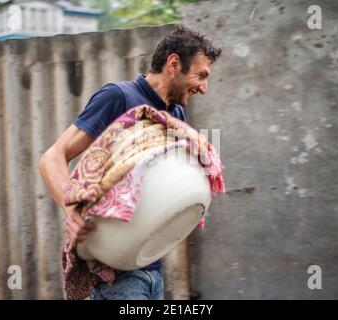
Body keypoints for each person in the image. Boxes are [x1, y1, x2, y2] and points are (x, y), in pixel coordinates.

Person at [38, 25, 221, 300]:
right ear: (174, 63)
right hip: (116, 276)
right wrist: (72, 210)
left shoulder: (176, 115)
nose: (204, 88)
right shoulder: (119, 97)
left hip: (150, 268)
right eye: (201, 75)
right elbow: (52, 157)